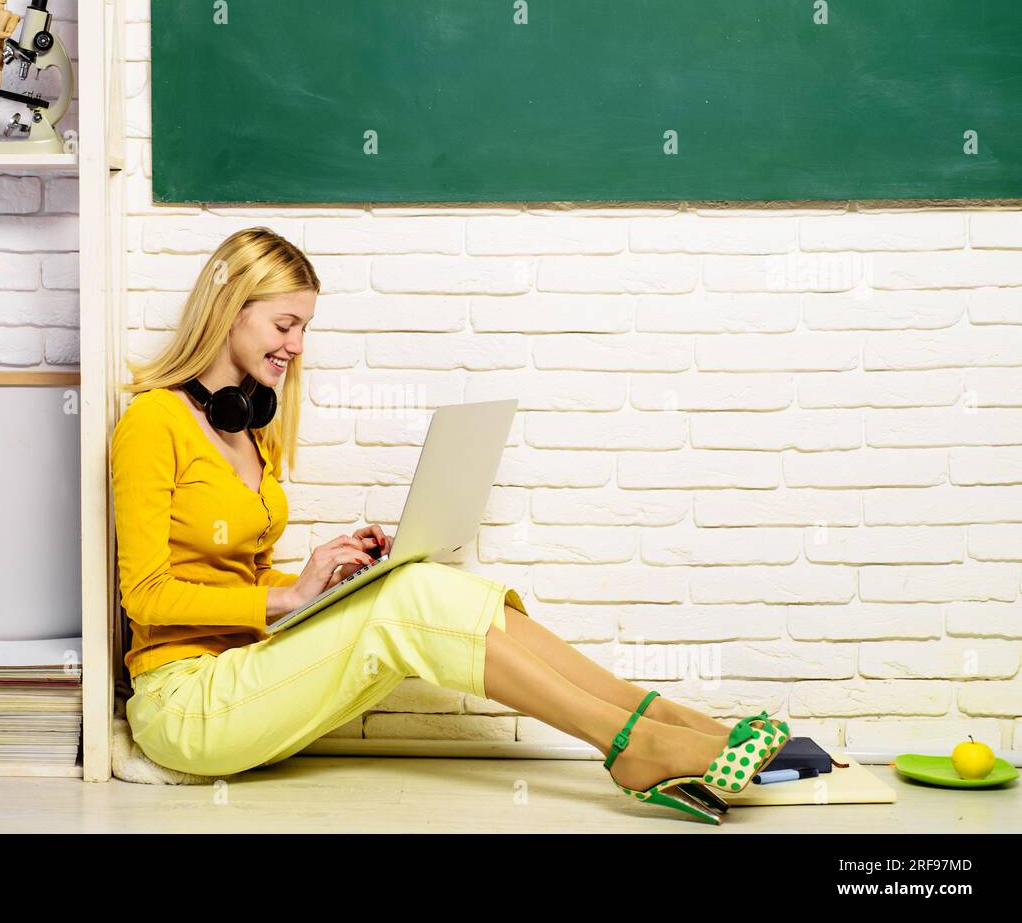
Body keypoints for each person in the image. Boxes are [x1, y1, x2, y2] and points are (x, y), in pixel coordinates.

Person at [111, 226, 789, 823]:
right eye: (285, 324)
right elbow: (145, 596)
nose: (296, 344)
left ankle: (658, 719)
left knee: (417, 578)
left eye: (305, 328)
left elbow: (245, 583)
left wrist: (318, 580)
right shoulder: (153, 422)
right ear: (232, 309)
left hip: (248, 669)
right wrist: (286, 597)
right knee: (407, 602)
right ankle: (634, 748)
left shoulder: (252, 432)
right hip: (185, 703)